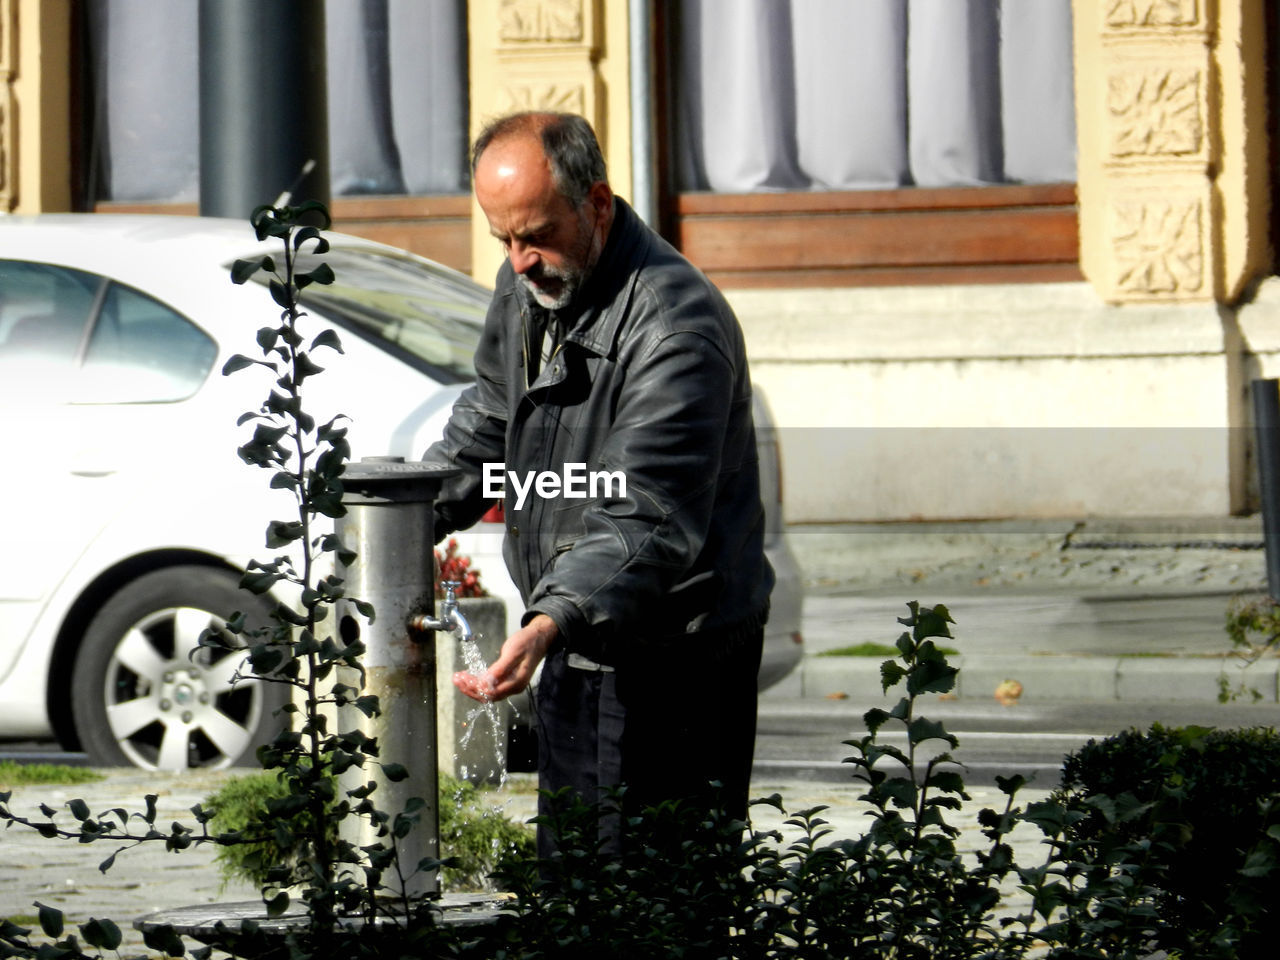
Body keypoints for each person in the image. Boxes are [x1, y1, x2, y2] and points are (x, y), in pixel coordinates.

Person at [424, 111, 773, 855]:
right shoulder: (527, 284)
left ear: (599, 204)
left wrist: (550, 618)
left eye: (537, 234)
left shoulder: (676, 326)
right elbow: (489, 422)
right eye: (504, 240)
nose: (519, 260)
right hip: (581, 635)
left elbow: (644, 515)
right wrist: (399, 516)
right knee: (576, 882)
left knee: (658, 900)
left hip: (677, 659)